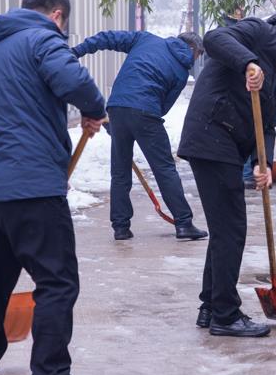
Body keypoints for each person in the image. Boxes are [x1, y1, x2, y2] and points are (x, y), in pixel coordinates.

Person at [0, 0, 105, 375]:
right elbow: (72, 80)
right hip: (34, 187)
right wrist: (94, 108)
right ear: (57, 15)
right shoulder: (43, 38)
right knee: (57, 282)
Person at [178, 14, 276, 337]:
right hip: (211, 133)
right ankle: (225, 314)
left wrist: (264, 163)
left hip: (226, 141)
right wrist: (248, 62)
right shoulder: (263, 33)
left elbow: (264, 118)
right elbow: (214, 39)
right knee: (232, 229)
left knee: (224, 229)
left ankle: (211, 307)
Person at [71, 30, 208, 241]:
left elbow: (107, 38)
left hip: (116, 107)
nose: (196, 60)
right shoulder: (181, 73)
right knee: (164, 168)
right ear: (193, 49)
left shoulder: (145, 39)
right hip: (146, 111)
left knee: (120, 172)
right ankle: (183, 223)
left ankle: (121, 227)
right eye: (198, 55)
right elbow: (163, 107)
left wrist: (77, 51)